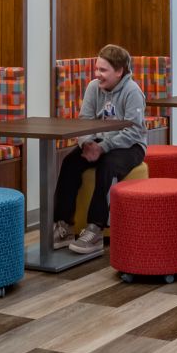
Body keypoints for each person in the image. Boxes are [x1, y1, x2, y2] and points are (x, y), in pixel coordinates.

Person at [52, 44, 148, 254]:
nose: (98, 74)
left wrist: (103, 148)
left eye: (103, 70)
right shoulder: (93, 87)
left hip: (130, 146)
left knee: (107, 166)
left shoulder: (133, 92)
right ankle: (62, 224)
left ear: (119, 71)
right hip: (96, 143)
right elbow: (84, 120)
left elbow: (133, 131)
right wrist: (86, 143)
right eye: (97, 69)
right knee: (69, 162)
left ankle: (95, 227)